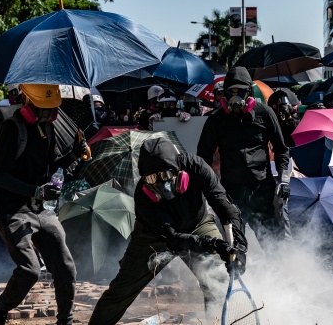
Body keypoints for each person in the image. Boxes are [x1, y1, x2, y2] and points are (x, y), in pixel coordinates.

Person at [88, 137, 246, 324]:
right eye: (153, 179)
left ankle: (218, 321)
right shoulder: (143, 198)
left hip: (198, 223)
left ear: (179, 169)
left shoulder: (196, 167)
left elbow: (225, 206)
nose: (162, 185)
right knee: (121, 290)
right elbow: (174, 239)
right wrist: (212, 244)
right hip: (155, 235)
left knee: (218, 281)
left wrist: (240, 247)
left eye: (166, 176)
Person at [0, 84, 87, 325]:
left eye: (52, 110)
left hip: (41, 209)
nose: (48, 115)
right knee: (30, 270)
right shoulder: (11, 129)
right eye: (43, 110)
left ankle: (66, 320)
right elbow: (0, 176)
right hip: (12, 210)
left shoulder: (48, 128)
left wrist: (74, 154)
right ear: (28, 103)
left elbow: (50, 166)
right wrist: (35, 190)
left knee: (66, 268)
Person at [197, 67, 291, 246]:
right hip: (232, 193)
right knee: (234, 246)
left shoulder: (266, 114)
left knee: (273, 244)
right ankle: (237, 272)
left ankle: (281, 273)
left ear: (249, 92)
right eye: (230, 92)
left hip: (262, 190)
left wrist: (284, 180)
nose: (235, 96)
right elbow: (203, 157)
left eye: (239, 91)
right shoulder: (216, 120)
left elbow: (282, 149)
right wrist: (206, 190)